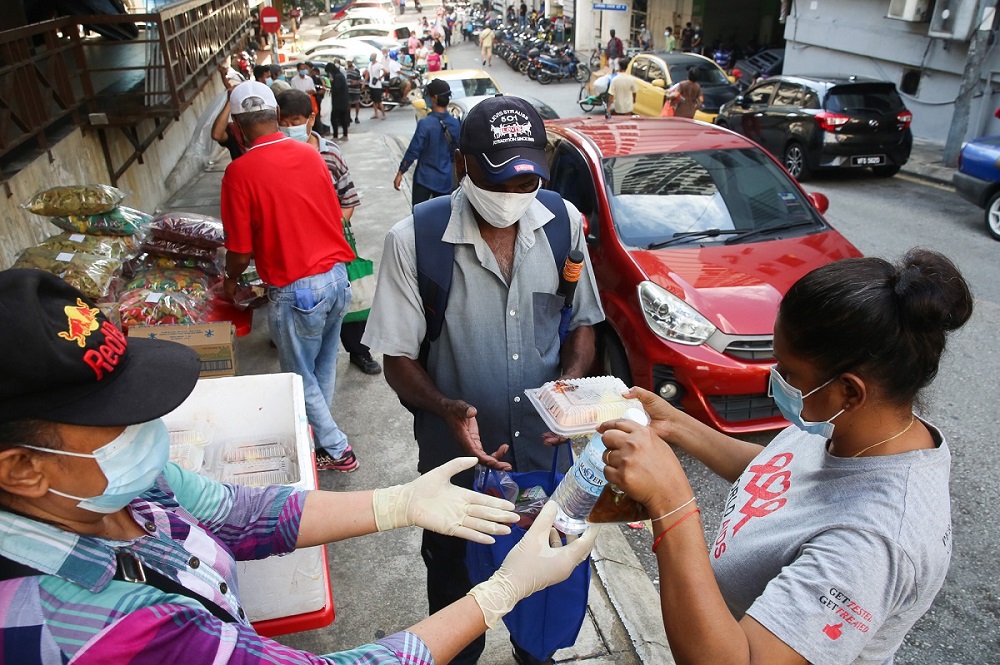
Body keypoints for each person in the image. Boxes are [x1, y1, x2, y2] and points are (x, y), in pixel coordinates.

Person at [0, 269, 598, 665]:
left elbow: (236, 514)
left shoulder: (100, 489)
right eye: (119, 420)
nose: (148, 430)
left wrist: (397, 503)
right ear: (22, 468)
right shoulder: (79, 622)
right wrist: (498, 593)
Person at [598, 249, 973, 665]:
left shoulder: (871, 546)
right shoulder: (858, 425)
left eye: (789, 372)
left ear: (850, 390)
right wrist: (677, 425)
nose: (775, 380)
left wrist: (671, 503)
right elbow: (776, 474)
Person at [364, 95, 605, 665]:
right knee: (456, 598)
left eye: (527, 184)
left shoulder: (563, 224)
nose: (514, 199)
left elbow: (583, 325)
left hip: (547, 469)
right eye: (500, 181)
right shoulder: (413, 241)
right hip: (457, 470)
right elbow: (397, 357)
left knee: (542, 593)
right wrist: (447, 406)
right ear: (461, 164)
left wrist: (567, 388)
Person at [220, 81, 356, 472]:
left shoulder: (239, 173)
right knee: (321, 369)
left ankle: (337, 447)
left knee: (299, 378)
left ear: (237, 127)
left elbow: (240, 248)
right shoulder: (311, 155)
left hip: (296, 288)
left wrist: (230, 282)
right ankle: (321, 442)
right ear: (276, 117)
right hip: (336, 277)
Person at [276, 89, 382, 374]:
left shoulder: (330, 153)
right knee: (300, 306)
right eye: (283, 121)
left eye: (295, 119)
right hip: (292, 249)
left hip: (333, 245)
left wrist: (331, 229)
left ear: (311, 119)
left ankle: (359, 351)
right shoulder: (273, 156)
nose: (289, 126)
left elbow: (348, 199)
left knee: (350, 297)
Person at [393, 78, 460, 207]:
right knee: (443, 219)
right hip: (445, 180)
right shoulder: (455, 124)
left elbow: (413, 150)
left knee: (419, 218)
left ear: (434, 98)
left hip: (424, 180)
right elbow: (456, 153)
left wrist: (401, 172)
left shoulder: (425, 124)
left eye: (428, 95)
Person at [326, 61, 351, 139]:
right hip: (343, 101)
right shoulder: (340, 76)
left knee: (334, 118)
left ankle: (335, 135)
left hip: (338, 102)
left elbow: (336, 89)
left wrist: (330, 88)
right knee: (343, 118)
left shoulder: (337, 77)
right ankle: (345, 135)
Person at [365, 53, 387, 120]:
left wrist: (380, 77)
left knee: (379, 101)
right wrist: (364, 82)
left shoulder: (378, 65)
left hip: (377, 85)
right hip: (371, 85)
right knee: (374, 101)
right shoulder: (369, 65)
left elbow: (385, 71)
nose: (371, 58)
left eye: (372, 57)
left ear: (375, 57)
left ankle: (383, 114)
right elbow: (367, 74)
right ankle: (376, 113)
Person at [345, 59, 363, 123]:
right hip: (348, 90)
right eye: (347, 62)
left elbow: (359, 80)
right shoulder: (345, 70)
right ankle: (349, 117)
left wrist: (356, 83)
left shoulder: (356, 70)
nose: (348, 63)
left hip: (356, 90)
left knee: (357, 103)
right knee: (348, 104)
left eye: (349, 62)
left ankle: (356, 117)